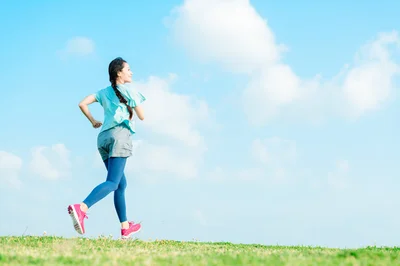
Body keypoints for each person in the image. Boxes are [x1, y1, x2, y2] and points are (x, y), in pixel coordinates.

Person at [67, 57, 146, 240]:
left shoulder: (103, 92)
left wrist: (93, 121)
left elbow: (82, 103)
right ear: (119, 73)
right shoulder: (130, 91)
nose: (131, 72)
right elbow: (142, 116)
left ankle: (125, 227)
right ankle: (82, 207)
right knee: (112, 182)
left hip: (103, 138)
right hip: (119, 136)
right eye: (128, 69)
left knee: (120, 183)